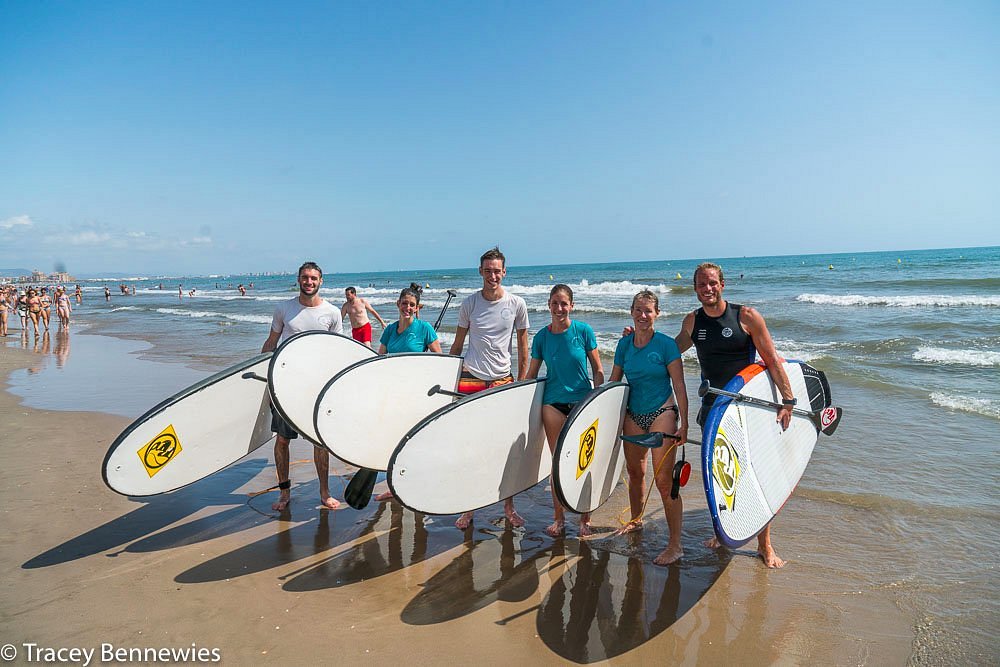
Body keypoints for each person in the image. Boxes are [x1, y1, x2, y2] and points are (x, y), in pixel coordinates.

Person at [675, 262, 793, 569]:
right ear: (696, 289)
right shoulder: (693, 322)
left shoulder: (746, 317)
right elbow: (671, 353)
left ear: (723, 284)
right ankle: (723, 531)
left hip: (747, 411)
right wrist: (641, 334)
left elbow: (771, 359)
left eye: (712, 283)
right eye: (702, 284)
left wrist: (788, 399)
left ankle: (765, 545)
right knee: (720, 475)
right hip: (713, 411)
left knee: (755, 476)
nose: (708, 289)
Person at [449, 247, 530, 529]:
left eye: (497, 270)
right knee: (469, 446)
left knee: (505, 448)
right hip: (470, 379)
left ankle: (508, 506)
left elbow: (522, 345)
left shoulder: (517, 304)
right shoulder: (469, 304)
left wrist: (522, 381)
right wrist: (447, 378)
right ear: (480, 272)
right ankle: (468, 508)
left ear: (504, 272)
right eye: (487, 270)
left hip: (502, 381)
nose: (492, 275)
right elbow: (457, 345)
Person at [610, 290, 688, 565]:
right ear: (631, 312)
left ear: (657, 314)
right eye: (638, 310)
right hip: (633, 413)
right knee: (635, 473)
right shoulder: (624, 345)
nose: (643, 315)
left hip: (662, 412)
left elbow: (679, 385)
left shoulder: (667, 345)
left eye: (648, 311)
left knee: (665, 482)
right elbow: (615, 383)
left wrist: (685, 423)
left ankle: (675, 545)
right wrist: (608, 419)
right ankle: (635, 520)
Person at [261, 261, 344, 512]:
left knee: (320, 442)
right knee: (283, 440)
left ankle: (324, 492)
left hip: (318, 387)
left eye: (314, 278)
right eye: (305, 277)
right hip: (287, 386)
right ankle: (285, 493)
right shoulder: (284, 309)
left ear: (321, 281)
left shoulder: (332, 313)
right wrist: (259, 372)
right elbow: (271, 343)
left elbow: (338, 350)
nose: (309, 282)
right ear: (298, 279)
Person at [525, 284, 604, 537]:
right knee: (558, 462)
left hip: (582, 403)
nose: (560, 308)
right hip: (553, 404)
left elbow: (598, 370)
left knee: (584, 461)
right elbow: (532, 374)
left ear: (572, 305)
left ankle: (585, 519)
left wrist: (600, 401)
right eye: (555, 303)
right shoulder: (541, 338)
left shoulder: (583, 331)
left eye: (564, 304)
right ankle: (558, 519)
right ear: (549, 305)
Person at [373, 284, 443, 502]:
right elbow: (379, 361)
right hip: (393, 393)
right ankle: (393, 486)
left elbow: (440, 360)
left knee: (417, 441)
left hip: (417, 394)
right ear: (398, 304)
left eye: (412, 305)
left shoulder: (424, 329)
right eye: (405, 303)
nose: (408, 308)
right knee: (392, 439)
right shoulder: (389, 330)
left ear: (417, 307)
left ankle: (417, 483)